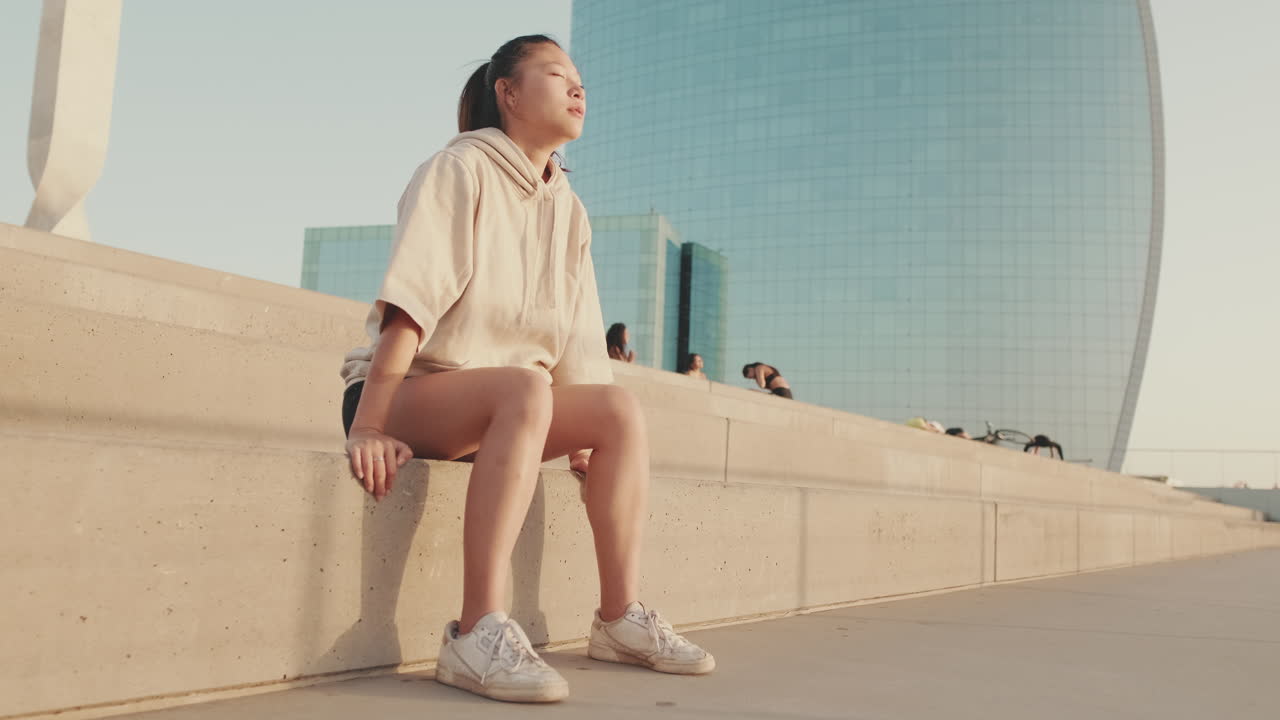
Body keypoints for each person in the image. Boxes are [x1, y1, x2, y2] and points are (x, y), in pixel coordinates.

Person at [338, 35, 713, 704]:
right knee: (524, 387)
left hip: (511, 409)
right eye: (556, 75)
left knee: (618, 410)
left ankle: (619, 618)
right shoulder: (460, 167)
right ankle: (475, 631)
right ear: (507, 93)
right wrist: (367, 425)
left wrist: (584, 443)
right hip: (406, 392)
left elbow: (575, 335)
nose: (578, 89)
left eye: (581, 80)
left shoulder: (567, 206)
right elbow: (410, 307)